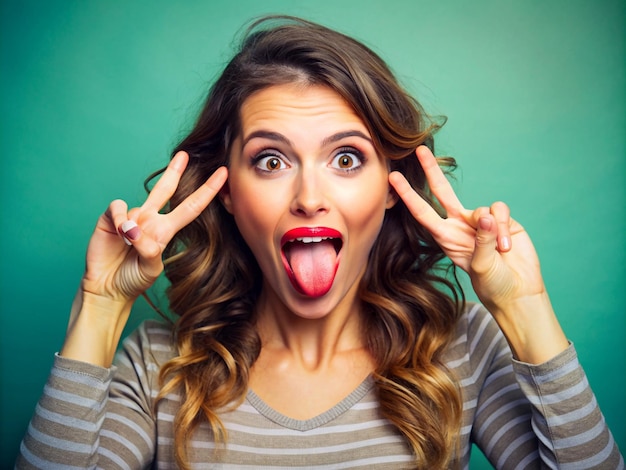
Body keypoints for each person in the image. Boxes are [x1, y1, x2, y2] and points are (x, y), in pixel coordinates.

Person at [16, 15, 623, 470]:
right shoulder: (160, 364)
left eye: (346, 157)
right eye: (272, 160)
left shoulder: (461, 348)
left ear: (390, 187)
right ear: (227, 193)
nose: (309, 196)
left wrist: (523, 307)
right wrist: (101, 303)